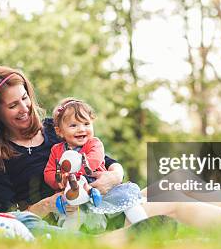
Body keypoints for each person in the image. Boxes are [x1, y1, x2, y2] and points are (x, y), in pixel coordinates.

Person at [0, 66, 221, 237]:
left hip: (110, 201)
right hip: (79, 224)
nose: (25, 107)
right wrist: (63, 199)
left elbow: (110, 165)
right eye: (12, 105)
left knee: (181, 180)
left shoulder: (54, 129)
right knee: (174, 201)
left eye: (25, 97)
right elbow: (13, 218)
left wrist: (113, 175)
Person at [43, 98, 148, 230]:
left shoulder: (94, 143)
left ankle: (143, 223)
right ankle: (66, 239)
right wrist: (60, 179)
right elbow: (49, 172)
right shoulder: (56, 150)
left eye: (86, 124)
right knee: (72, 216)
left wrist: (74, 172)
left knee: (127, 201)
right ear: (59, 131)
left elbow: (95, 159)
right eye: (73, 125)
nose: (81, 129)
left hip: (101, 191)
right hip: (76, 195)